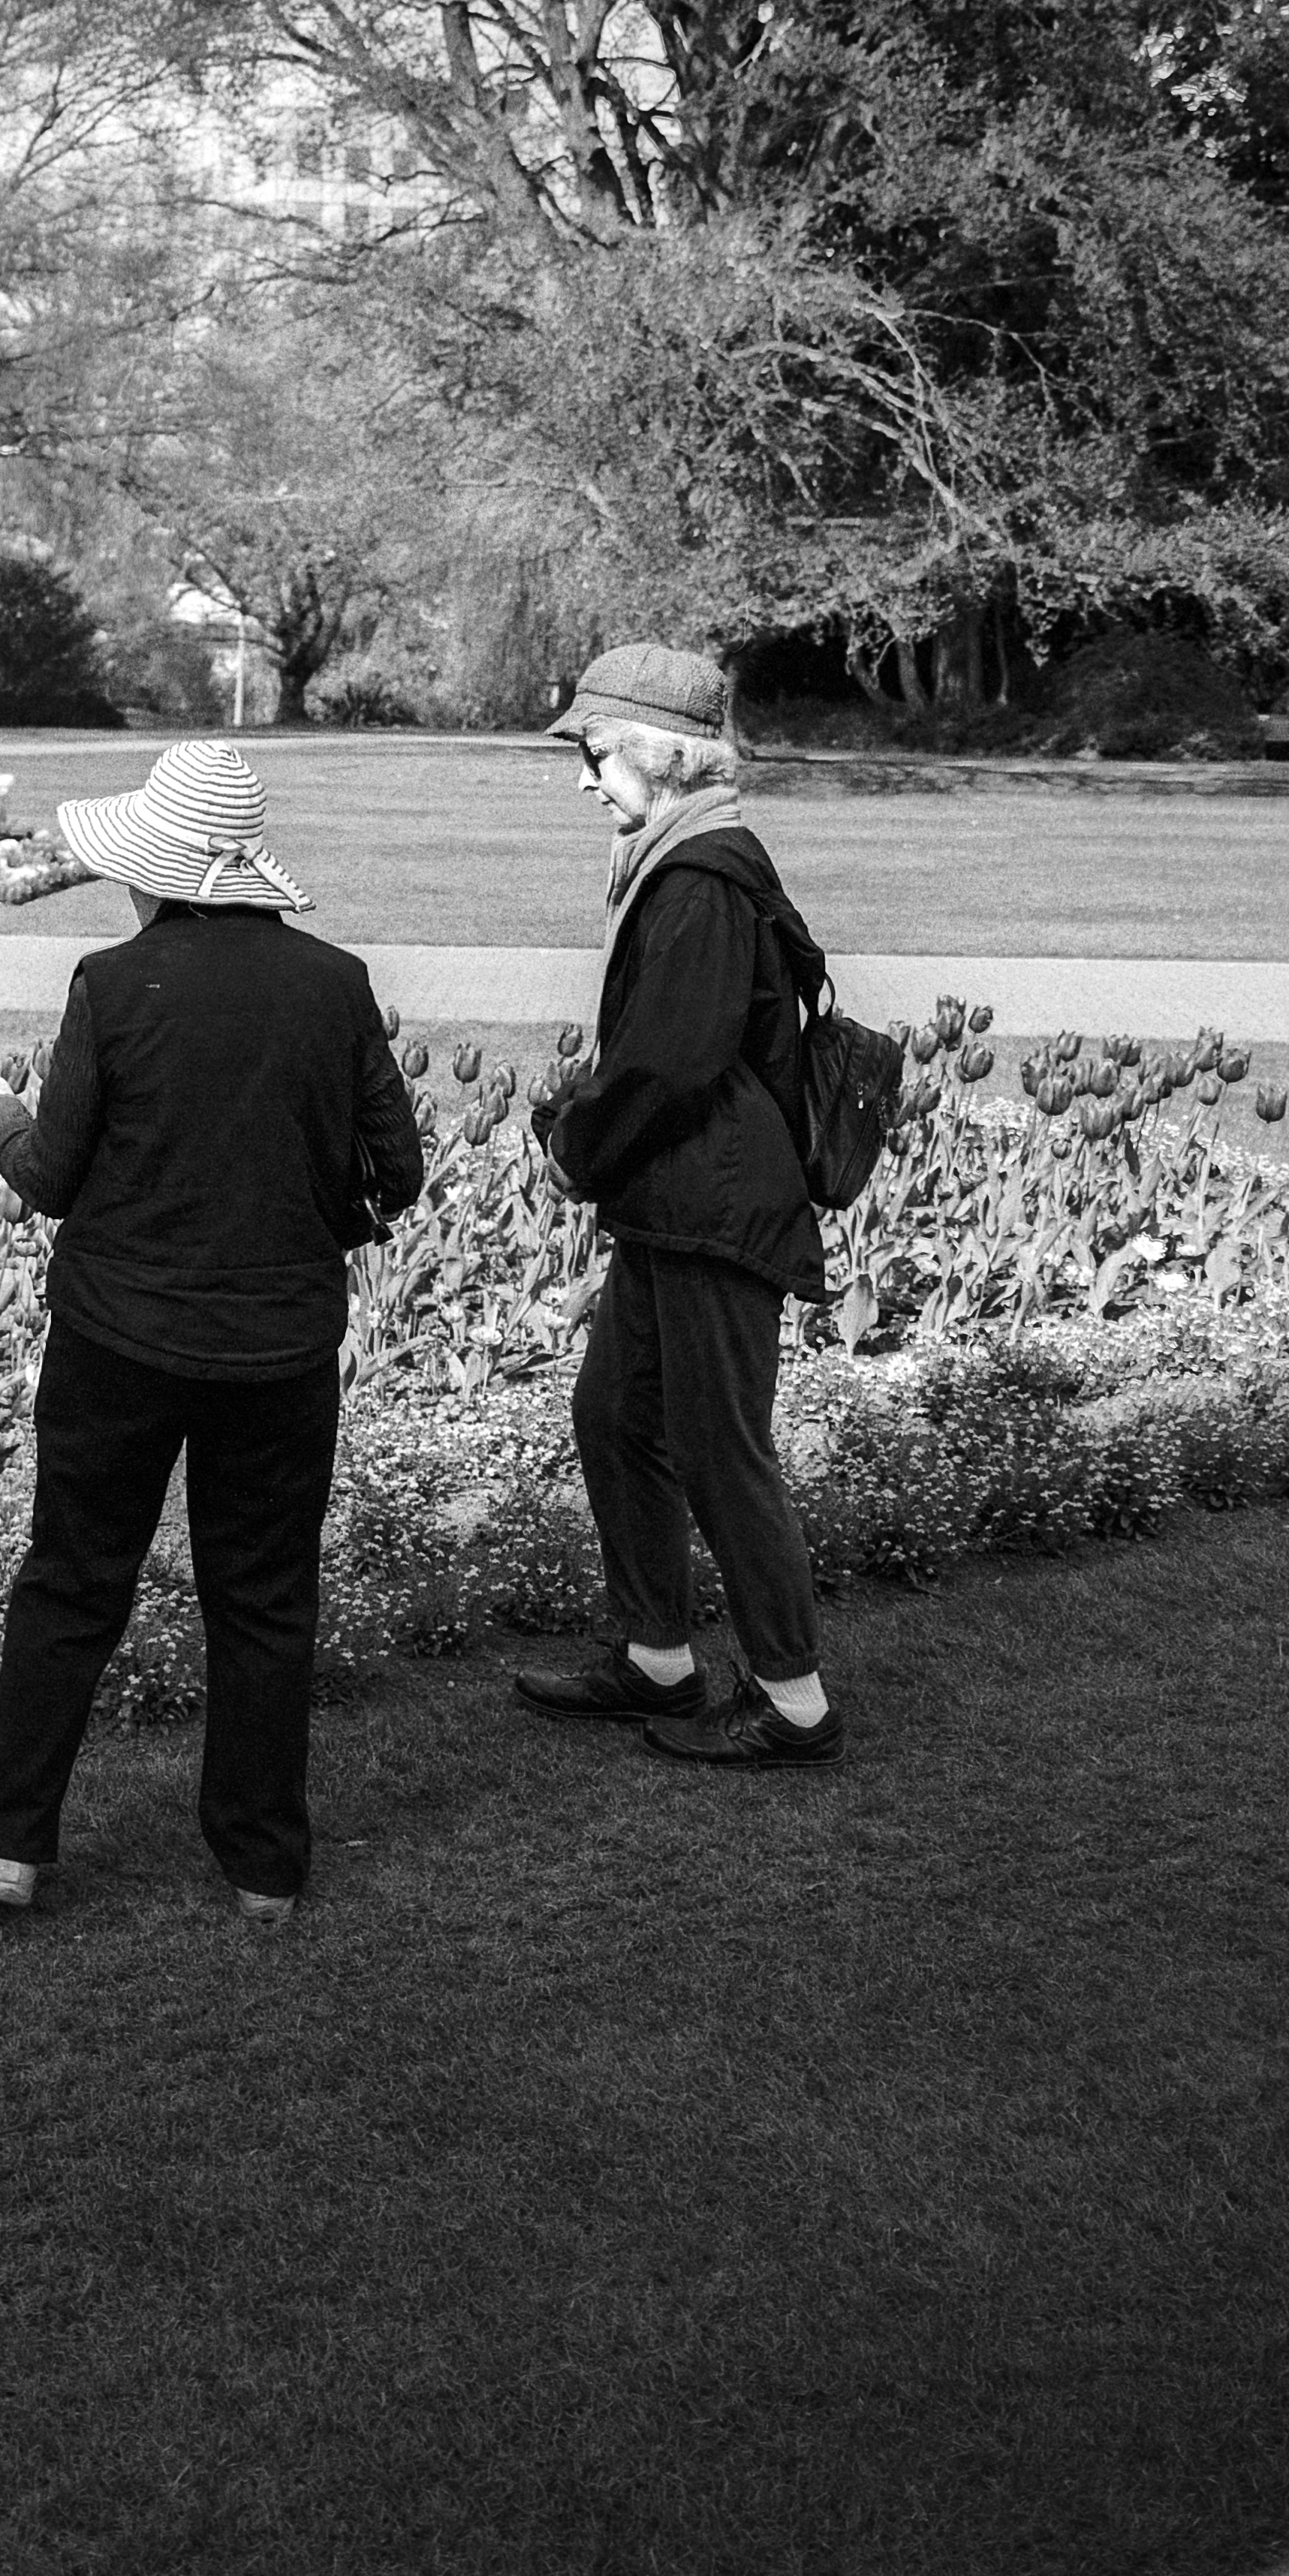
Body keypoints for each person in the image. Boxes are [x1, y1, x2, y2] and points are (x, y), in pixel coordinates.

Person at [0, 738, 426, 1921]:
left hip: (121, 1337)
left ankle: (10, 1849)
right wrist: (316, 1233)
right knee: (264, 1596)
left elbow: (53, 1176)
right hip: (281, 1343)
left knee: (72, 1581)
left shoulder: (116, 984)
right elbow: (396, 1172)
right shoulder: (335, 981)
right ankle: (263, 1865)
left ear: (154, 870)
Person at [510, 642, 845, 1769]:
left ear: (663, 754)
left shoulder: (699, 878)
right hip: (678, 1198)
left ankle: (793, 1701)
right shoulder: (684, 856)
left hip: (713, 1203)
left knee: (719, 1447)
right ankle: (656, 1655)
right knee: (615, 1416)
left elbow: (670, 1064)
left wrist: (576, 1144)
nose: (585, 776)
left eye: (597, 752)